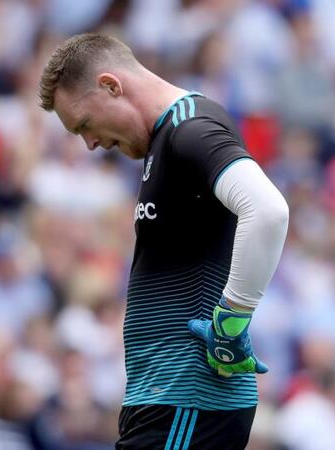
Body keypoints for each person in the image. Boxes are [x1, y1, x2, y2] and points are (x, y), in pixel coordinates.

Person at [38, 33, 289, 449]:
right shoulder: (166, 138)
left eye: (84, 124)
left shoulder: (189, 128)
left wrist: (231, 322)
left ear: (111, 86)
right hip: (171, 402)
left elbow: (267, 211)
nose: (91, 143)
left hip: (187, 399)